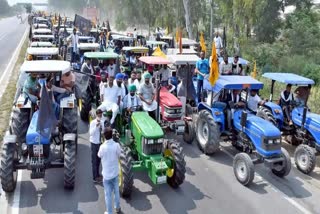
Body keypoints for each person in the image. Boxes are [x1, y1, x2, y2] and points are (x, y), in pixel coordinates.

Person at [98, 127, 121, 214]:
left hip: (106, 176)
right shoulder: (116, 145)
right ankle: (117, 208)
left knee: (108, 195)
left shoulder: (102, 147)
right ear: (112, 135)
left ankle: (109, 212)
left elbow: (99, 155)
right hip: (115, 173)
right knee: (116, 192)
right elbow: (119, 154)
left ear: (104, 136)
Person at [89, 109, 104, 183]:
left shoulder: (102, 122)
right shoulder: (92, 123)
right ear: (96, 115)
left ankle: (98, 174)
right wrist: (96, 126)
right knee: (94, 160)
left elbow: (103, 132)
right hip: (94, 143)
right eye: (99, 115)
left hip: (99, 143)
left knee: (98, 160)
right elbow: (91, 133)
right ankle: (94, 177)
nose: (100, 116)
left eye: (101, 115)